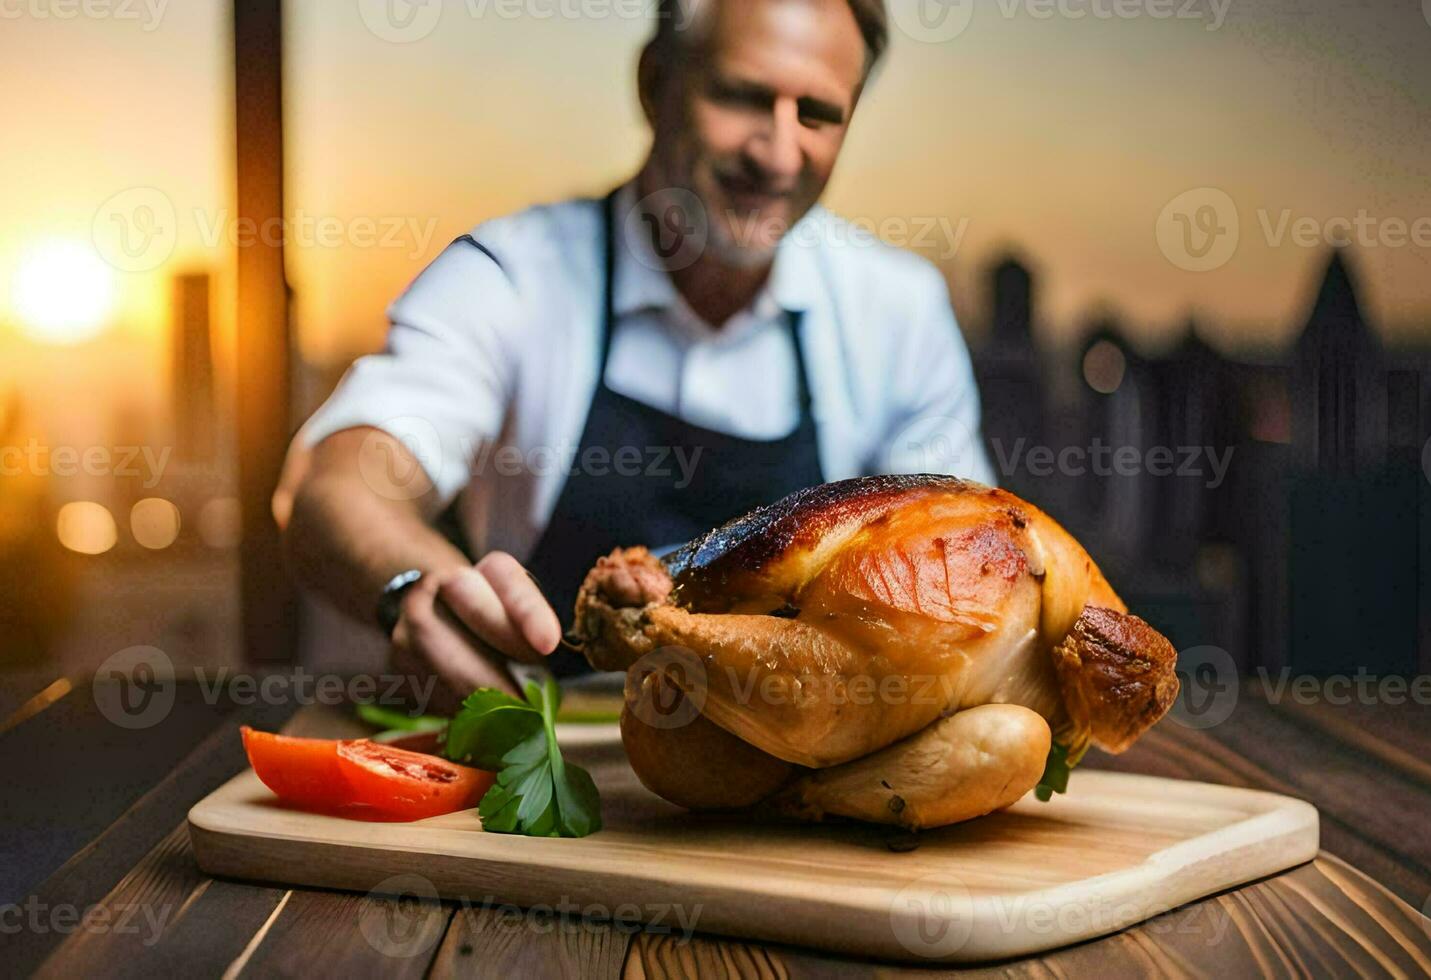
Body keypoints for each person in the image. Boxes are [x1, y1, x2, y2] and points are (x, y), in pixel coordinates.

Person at [277, 0, 994, 705]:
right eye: (742, 97)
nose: (776, 153)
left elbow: (968, 562)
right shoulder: (511, 276)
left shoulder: (899, 313)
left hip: (799, 785)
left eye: (817, 114)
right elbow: (337, 487)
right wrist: (414, 587)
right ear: (656, 83)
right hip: (550, 763)